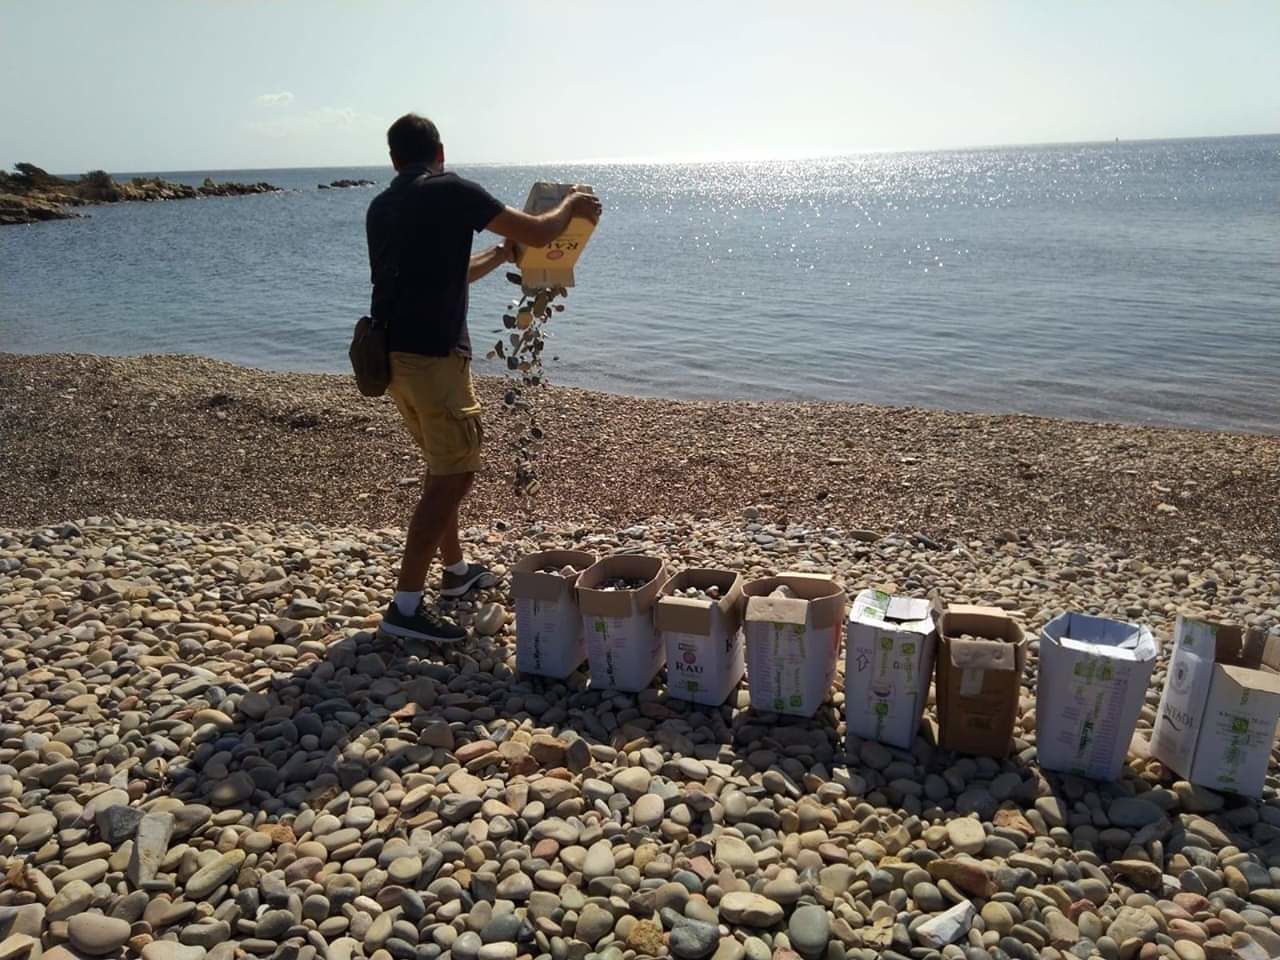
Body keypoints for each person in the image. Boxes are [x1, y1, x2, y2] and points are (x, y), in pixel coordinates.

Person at [367, 113, 602, 644]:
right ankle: (404, 606)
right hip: (434, 360)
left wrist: (499, 255)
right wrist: (575, 207)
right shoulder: (452, 190)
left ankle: (453, 573)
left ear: (394, 159)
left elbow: (449, 273)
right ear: (441, 152)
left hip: (394, 359)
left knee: (440, 466)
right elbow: (541, 229)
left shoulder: (383, 206)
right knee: (454, 476)